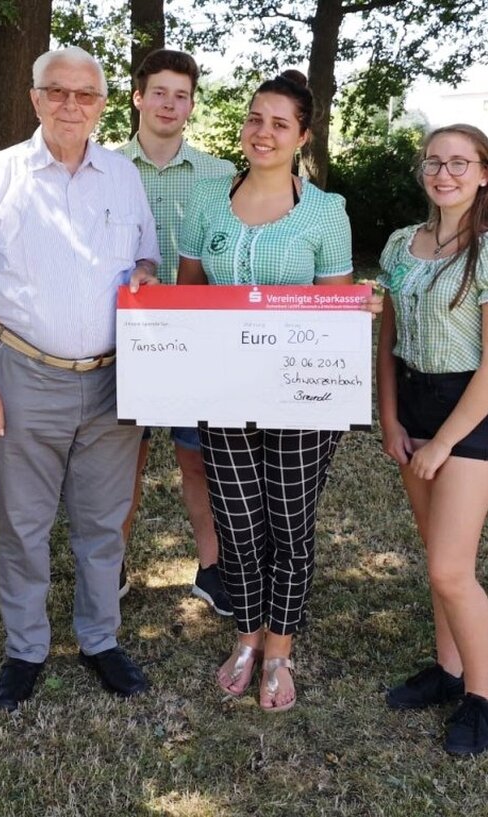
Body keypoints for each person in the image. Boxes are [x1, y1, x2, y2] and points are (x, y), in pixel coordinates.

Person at [0, 46, 160, 712]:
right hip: (23, 374)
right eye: (57, 92)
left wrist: (147, 281)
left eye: (85, 94)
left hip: (112, 381)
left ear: (103, 104)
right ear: (34, 98)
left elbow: (146, 257)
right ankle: (26, 648)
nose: (72, 104)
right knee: (24, 525)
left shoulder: (124, 177)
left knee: (102, 524)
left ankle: (100, 639)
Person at [178, 70, 379, 712]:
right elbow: (186, 300)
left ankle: (280, 652)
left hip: (300, 400)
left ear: (302, 136)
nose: (263, 133)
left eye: (279, 124)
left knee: (289, 527)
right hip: (223, 395)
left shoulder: (326, 212)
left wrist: (356, 309)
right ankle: (245, 639)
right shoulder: (207, 204)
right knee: (238, 525)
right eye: (255, 119)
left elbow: (334, 310)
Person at [378, 125, 488, 755]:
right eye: (434, 162)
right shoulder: (398, 245)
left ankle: (481, 695)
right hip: (412, 403)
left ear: (485, 173)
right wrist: (390, 419)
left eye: (460, 163)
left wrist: (443, 442)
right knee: (433, 552)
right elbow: (386, 343)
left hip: (468, 409)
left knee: (450, 567)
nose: (445, 174)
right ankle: (446, 670)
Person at [117, 49, 236, 615]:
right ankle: (111, 564)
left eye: (181, 94)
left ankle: (212, 567)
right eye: (159, 92)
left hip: (201, 341)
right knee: (123, 459)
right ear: (138, 97)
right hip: (124, 336)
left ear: (191, 104)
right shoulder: (106, 167)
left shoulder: (221, 175)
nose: (169, 103)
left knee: (198, 458)